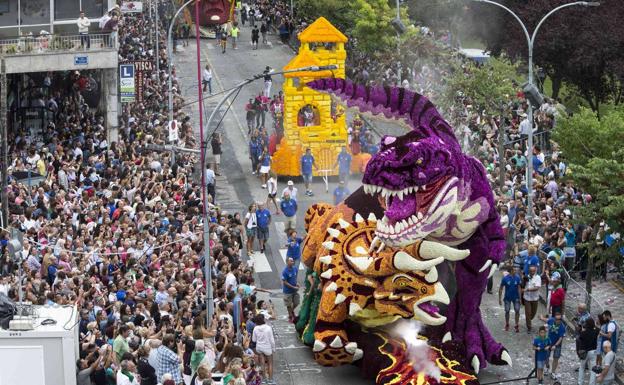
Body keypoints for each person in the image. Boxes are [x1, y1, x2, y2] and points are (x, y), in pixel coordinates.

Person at [252, 314, 275, 384]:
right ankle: (270, 380)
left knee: (262, 363)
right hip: (267, 348)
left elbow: (254, 340)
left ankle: (264, 379)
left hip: (259, 347)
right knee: (270, 363)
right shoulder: (268, 328)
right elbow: (272, 340)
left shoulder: (255, 328)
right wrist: (273, 348)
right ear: (263, 319)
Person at [499, 266, 522, 332]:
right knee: (507, 310)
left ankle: (516, 324)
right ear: (511, 271)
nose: (516, 271)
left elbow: (519, 288)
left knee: (517, 310)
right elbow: (501, 288)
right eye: (514, 270)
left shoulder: (517, 278)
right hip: (507, 297)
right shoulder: (505, 278)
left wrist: (520, 298)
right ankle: (507, 324)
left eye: (516, 270)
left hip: (516, 297)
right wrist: (500, 299)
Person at [544, 312, 565, 381]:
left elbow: (560, 338)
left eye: (559, 319)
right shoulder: (551, 320)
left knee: (555, 358)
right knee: (546, 357)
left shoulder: (562, 327)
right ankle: (547, 367)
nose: (557, 321)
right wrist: (541, 317)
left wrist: (555, 345)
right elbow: (546, 320)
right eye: (556, 319)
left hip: (557, 345)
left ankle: (553, 372)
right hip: (549, 343)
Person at [578, 317, 599, 385]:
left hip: (584, 352)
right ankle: (592, 383)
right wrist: (595, 325)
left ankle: (580, 382)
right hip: (593, 351)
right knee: (593, 369)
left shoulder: (583, 332)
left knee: (582, 367)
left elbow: (580, 338)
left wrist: (582, 329)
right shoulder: (595, 331)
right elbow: (598, 329)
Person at [523, 264, 541, 333]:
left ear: (535, 271)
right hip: (527, 298)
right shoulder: (526, 277)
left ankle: (529, 320)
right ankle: (529, 327)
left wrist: (527, 289)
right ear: (529, 271)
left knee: (533, 314)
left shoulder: (538, 278)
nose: (532, 272)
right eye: (531, 271)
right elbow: (521, 285)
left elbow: (537, 288)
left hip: (535, 299)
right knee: (528, 313)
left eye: (533, 271)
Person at [282, 257, 300, 323]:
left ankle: (291, 312)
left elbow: (295, 276)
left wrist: (297, 283)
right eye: (291, 261)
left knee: (296, 302)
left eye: (293, 261)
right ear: (287, 262)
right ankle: (290, 316)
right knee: (288, 305)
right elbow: (285, 282)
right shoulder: (285, 271)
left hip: (294, 290)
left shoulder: (295, 268)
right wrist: (293, 287)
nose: (293, 262)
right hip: (287, 291)